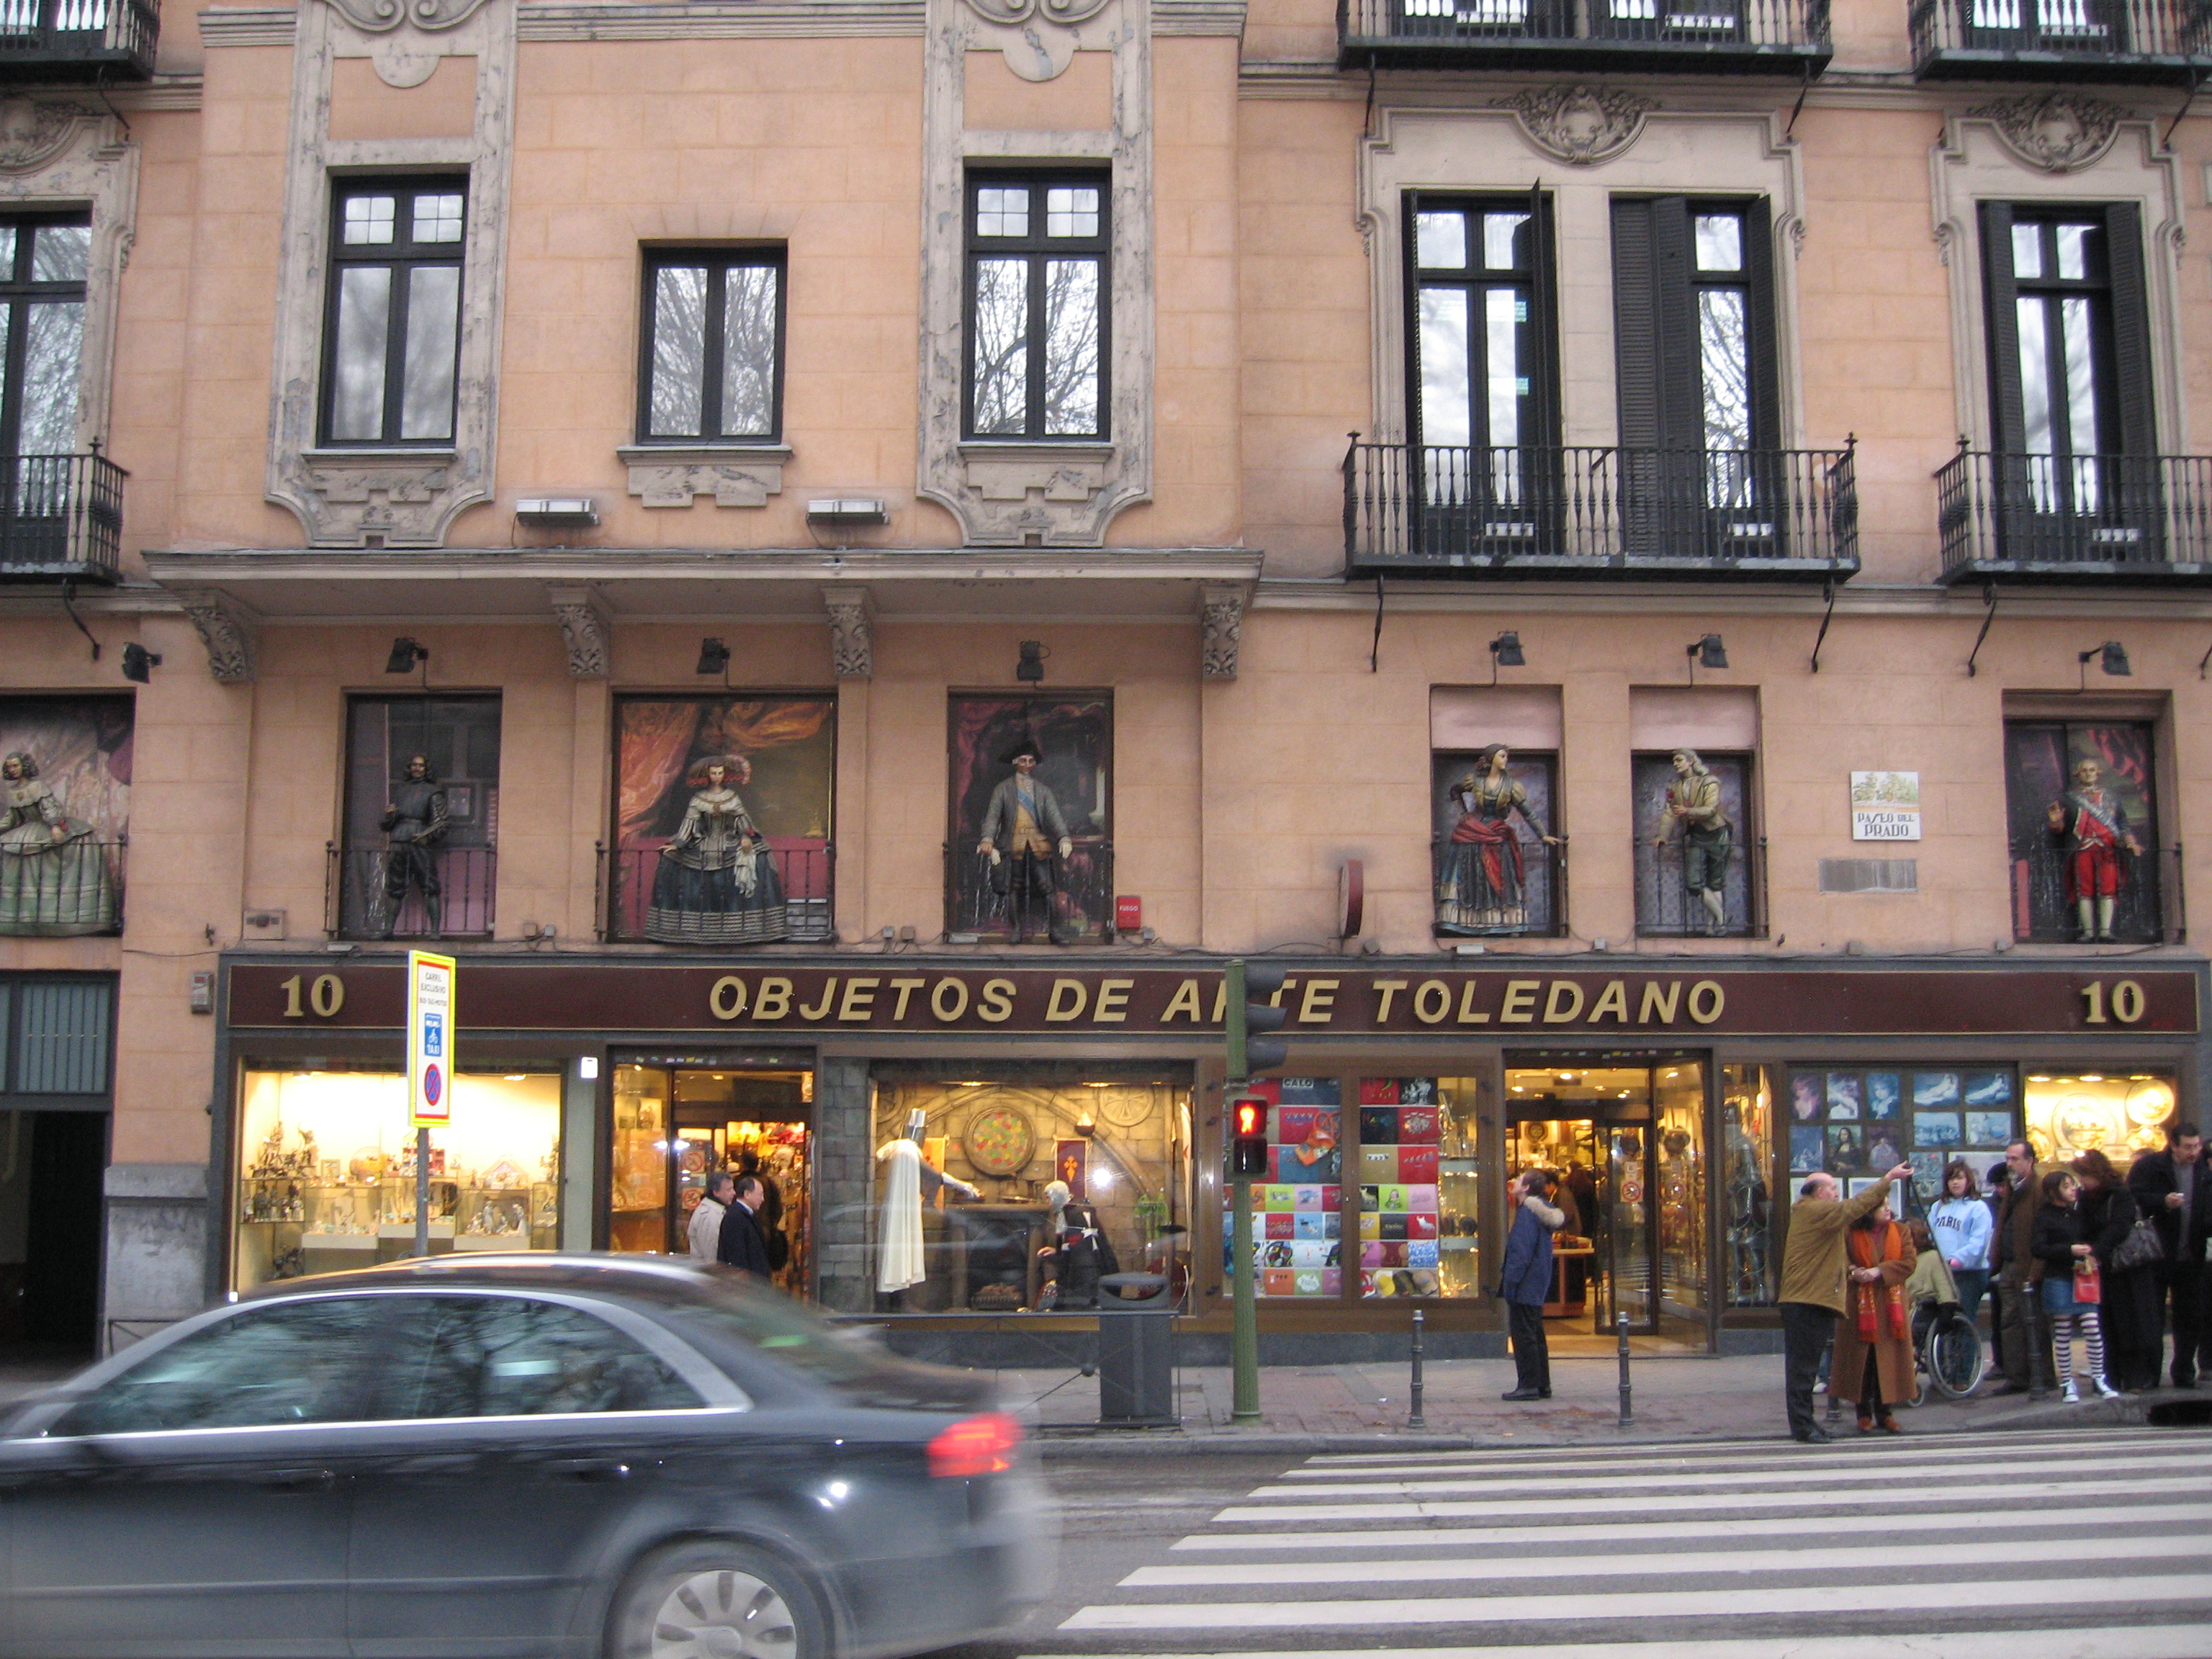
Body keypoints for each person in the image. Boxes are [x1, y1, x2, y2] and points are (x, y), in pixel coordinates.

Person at [1778, 1160, 1910, 1442]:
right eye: (1832, 1189)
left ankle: (1806, 1422)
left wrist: (1850, 1270)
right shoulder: (1814, 1210)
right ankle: (1802, 1426)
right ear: (1818, 1193)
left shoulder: (1816, 1214)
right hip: (1806, 1301)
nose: (1837, 1194)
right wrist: (1888, 1178)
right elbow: (1854, 1208)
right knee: (1803, 1369)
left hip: (1811, 1299)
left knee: (1806, 1367)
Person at [644, 755, 789, 945]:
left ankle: (750, 927)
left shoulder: (732, 797)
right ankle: (684, 928)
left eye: (720, 773)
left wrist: (746, 837)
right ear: (708, 775)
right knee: (669, 858)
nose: (717, 776)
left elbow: (743, 822)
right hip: (703, 843)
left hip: (730, 843)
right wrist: (678, 844)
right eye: (714, 773)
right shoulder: (699, 798)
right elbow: (689, 823)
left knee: (761, 856)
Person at [1437, 745, 1560, 934]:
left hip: (1497, 833)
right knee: (1473, 879)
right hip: (1472, 833)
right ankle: (1467, 923)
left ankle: (1503, 924)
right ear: (1491, 758)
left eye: (1506, 756)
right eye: (1502, 756)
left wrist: (1543, 835)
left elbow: (1528, 813)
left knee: (1500, 878)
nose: (1505, 760)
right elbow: (1455, 791)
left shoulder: (1512, 786)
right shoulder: (1475, 781)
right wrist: (1463, 813)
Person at [2127, 1121, 2210, 1388]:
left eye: (2196, 1146)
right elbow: (2133, 1197)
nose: (2193, 1152)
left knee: (2190, 1316)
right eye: (2188, 1147)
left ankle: (2184, 1371)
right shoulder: (2151, 1167)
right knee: (2153, 1317)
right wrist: (2162, 1201)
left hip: (2191, 1254)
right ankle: (2151, 1373)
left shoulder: (2203, 1169)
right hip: (2157, 1254)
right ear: (2173, 1145)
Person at [2031, 1169, 2122, 1403]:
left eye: (2073, 1184)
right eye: (2067, 1186)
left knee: (2092, 1327)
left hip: (2082, 1275)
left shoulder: (2078, 1213)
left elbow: (2093, 1234)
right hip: (2058, 1276)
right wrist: (2068, 1250)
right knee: (2063, 1331)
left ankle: (2099, 1378)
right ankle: (2067, 1383)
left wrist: (2091, 1251)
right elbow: (2038, 1248)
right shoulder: (2044, 1216)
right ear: (2053, 1192)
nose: (2074, 1189)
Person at [976, 736, 1074, 945]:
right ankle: (1016, 930)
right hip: (1013, 844)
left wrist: (1064, 837)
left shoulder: (1042, 791)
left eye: (1031, 761)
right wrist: (988, 839)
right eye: (1023, 760)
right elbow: (993, 816)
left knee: (1047, 887)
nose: (1027, 764)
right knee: (1014, 887)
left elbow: (1054, 816)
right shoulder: (1003, 789)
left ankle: (1055, 931)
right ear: (1015, 763)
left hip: (1038, 843)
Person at [2074, 1149, 2156, 1392]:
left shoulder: (2120, 1194)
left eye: (2084, 1176)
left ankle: (2133, 1377)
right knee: (2105, 1324)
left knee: (2128, 1322)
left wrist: (2097, 1251)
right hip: (2101, 1269)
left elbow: (2120, 1226)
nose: (2081, 1182)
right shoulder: (2084, 1198)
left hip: (2124, 1267)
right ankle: (2109, 1376)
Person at [1833, 1200, 1915, 1434]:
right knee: (1863, 1361)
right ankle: (1863, 1413)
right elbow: (1840, 1259)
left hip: (1891, 1305)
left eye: (1888, 1205)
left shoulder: (1901, 1231)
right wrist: (1854, 1271)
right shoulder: (1850, 1232)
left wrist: (1879, 1271)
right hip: (1860, 1304)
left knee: (1887, 1362)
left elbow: (1909, 1262)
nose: (1888, 1209)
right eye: (1882, 1206)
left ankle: (1885, 1413)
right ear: (1868, 1212)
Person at [2046, 756, 2142, 943]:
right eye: (2084, 770)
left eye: (2092, 770)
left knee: (2108, 889)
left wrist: (2130, 842)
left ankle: (2105, 931)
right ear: (2077, 774)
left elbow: (2122, 824)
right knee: (2084, 890)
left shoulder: (2111, 797)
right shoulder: (2069, 799)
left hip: (2107, 849)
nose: (2088, 774)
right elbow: (2060, 830)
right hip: (2082, 849)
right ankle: (2088, 932)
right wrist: (2055, 822)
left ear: (2098, 773)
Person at [1990, 1139, 2056, 1398]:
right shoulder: (2012, 1187)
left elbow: (2043, 1232)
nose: (2010, 1164)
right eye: (2008, 1158)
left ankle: (2042, 1376)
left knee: (2034, 1322)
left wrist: (2036, 1270)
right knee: (2010, 1322)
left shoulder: (2038, 1189)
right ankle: (2017, 1376)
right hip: (2009, 1264)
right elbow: (2004, 1225)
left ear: (2030, 1161)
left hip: (2027, 1265)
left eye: (2015, 1159)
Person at [1498, 1169, 1565, 1401]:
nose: (1514, 1182)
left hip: (1525, 1284)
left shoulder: (1527, 1213)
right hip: (1536, 1282)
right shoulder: (1541, 1211)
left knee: (1524, 1335)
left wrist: (1510, 1283)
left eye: (1518, 1180)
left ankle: (1528, 1385)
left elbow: (1520, 1253)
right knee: (1535, 1333)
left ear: (1526, 1188)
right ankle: (1542, 1384)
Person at [1652, 748, 1732, 935]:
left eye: (1679, 760)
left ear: (1690, 761)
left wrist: (1688, 812)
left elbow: (1711, 809)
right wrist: (1662, 835)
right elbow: (1670, 812)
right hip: (1697, 835)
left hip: (1717, 833)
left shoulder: (1709, 782)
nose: (1675, 764)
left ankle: (1713, 927)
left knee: (1715, 883)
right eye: (1674, 761)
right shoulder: (1675, 787)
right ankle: (1723, 917)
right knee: (1693, 883)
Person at [377, 753, 447, 939]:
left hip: (419, 840)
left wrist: (426, 836)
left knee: (430, 886)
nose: (417, 769)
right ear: (410, 768)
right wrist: (389, 815)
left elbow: (441, 821)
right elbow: (387, 824)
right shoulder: (401, 790)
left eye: (421, 766)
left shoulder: (433, 791)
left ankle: (434, 931)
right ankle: (388, 929)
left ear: (426, 769)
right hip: (398, 839)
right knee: (394, 887)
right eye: (415, 765)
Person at [1928, 1160, 1995, 1333]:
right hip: (1943, 1272)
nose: (1955, 1183)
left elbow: (1979, 1242)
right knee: (1944, 1320)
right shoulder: (1938, 1207)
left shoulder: (1978, 1208)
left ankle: (1966, 1350)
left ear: (1968, 1181)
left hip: (1970, 1273)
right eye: (1951, 1179)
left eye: (1959, 1178)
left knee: (1963, 1318)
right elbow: (1930, 1236)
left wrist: (1958, 1259)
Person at [1905, 1215, 1959, 1356]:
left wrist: (1947, 1308)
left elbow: (1944, 1288)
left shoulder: (1933, 1258)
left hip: (1920, 1309)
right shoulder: (1900, 1261)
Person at [737, 1148, 788, 1274]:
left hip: (742, 1232)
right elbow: (777, 1207)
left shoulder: (738, 1182)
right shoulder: (767, 1182)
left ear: (743, 1164)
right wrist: (771, 1225)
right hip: (765, 1231)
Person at [717, 1174, 774, 1277]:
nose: (763, 1199)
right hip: (747, 1282)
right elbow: (737, 1256)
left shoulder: (747, 1215)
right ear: (747, 1194)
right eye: (760, 1195)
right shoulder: (736, 1217)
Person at [688, 1172, 732, 1264]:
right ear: (716, 1192)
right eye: (729, 1190)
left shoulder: (715, 1211)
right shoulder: (710, 1216)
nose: (733, 1193)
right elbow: (711, 1254)